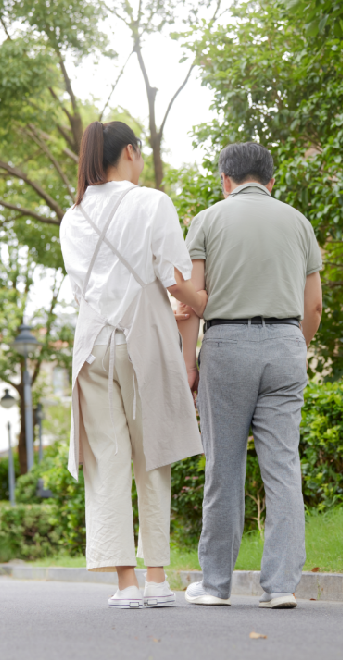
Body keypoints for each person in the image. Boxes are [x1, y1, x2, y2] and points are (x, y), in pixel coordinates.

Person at [60, 121, 207, 609]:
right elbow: (175, 276)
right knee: (153, 456)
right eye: (139, 154)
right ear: (129, 152)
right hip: (141, 337)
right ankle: (158, 580)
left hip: (91, 345)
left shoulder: (72, 216)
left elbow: (83, 291)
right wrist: (194, 303)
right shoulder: (152, 202)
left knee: (109, 461)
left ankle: (125, 585)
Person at [177, 142, 323, 609]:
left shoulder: (208, 220)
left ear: (226, 180)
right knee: (283, 469)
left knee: (223, 469)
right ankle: (281, 586)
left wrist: (189, 364)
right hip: (286, 344)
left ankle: (216, 585)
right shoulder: (299, 222)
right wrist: (294, 347)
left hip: (227, 346)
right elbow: (314, 307)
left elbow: (191, 302)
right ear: (271, 181)